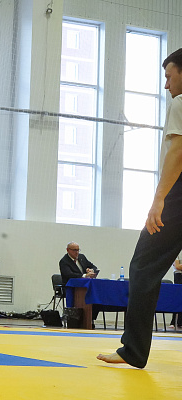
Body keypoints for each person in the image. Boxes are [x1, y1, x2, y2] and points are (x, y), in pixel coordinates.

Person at [98, 48, 182, 368]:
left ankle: (133, 350)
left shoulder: (180, 103)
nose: (166, 85)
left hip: (178, 197)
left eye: (169, 77)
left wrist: (158, 200)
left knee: (143, 267)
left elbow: (177, 152)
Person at [169, 256, 182, 329]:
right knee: (177, 298)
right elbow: (177, 266)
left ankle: (180, 322)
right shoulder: (177, 253)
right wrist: (179, 266)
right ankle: (173, 322)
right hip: (179, 276)